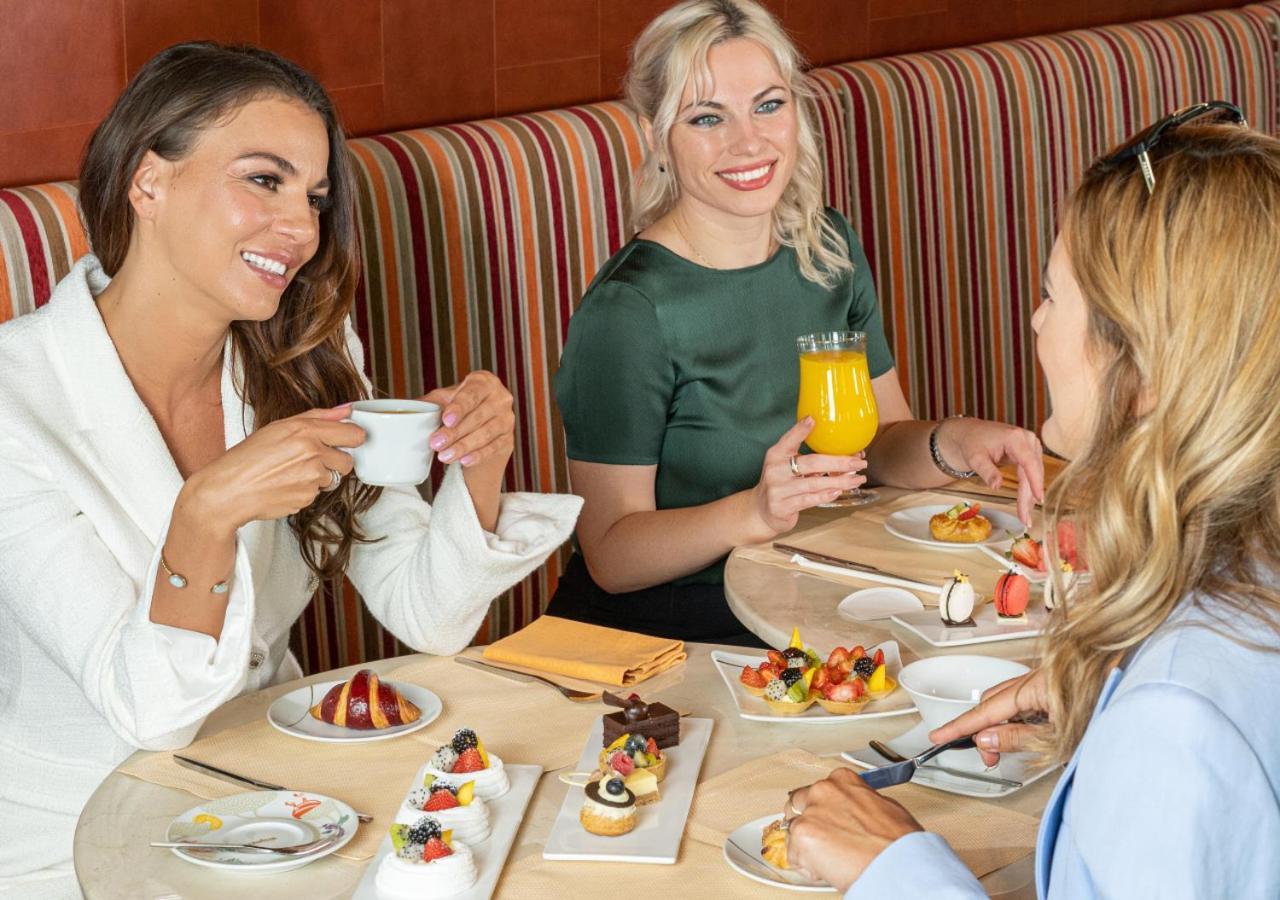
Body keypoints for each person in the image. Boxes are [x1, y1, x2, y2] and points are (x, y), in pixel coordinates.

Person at [0, 43, 581, 896]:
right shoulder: (16, 402)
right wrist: (207, 515)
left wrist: (476, 467)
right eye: (264, 182)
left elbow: (427, 615)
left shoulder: (302, 355)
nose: (304, 230)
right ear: (149, 182)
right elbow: (151, 712)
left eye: (314, 198)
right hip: (75, 842)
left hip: (280, 806)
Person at [782, 109, 1280, 897]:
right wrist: (1108, 693)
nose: (1037, 321)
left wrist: (898, 869)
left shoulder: (1178, 722)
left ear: (1143, 365)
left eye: (1053, 298)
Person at [548, 0, 1043, 644]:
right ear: (653, 133)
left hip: (807, 594)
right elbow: (612, 557)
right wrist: (753, 511)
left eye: (768, 104)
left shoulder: (826, 249)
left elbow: (879, 443)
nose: (748, 142)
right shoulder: (630, 311)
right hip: (663, 634)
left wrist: (954, 441)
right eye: (706, 117)